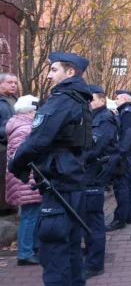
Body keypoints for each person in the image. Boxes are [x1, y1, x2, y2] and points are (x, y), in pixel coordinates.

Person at [8, 52, 92, 285]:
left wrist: (15, 164)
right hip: (72, 178)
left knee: (54, 249)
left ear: (70, 72)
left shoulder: (62, 99)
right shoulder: (79, 99)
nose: (48, 75)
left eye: (54, 70)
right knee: (72, 245)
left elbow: (38, 139)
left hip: (58, 181)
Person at [82, 85, 119, 279]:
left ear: (102, 101)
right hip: (89, 173)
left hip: (94, 173)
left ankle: (95, 263)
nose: (88, 103)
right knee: (87, 217)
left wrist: (76, 158)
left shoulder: (104, 118)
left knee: (93, 218)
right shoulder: (94, 116)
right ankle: (89, 250)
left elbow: (95, 147)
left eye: (92, 99)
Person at [5, 95, 41, 266]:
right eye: (36, 111)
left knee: (32, 214)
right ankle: (25, 253)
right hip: (26, 178)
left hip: (26, 177)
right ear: (30, 111)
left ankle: (32, 248)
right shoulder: (24, 128)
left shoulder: (21, 126)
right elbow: (22, 154)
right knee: (29, 215)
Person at [107, 90, 131, 232]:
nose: (116, 100)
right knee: (128, 186)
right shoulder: (128, 112)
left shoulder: (127, 112)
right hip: (129, 155)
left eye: (118, 98)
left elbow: (130, 134)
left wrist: (120, 152)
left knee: (122, 187)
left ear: (126, 99)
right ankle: (128, 215)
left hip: (126, 156)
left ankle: (120, 219)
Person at [0, 73, 18, 212]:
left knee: (13, 177)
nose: (13, 85)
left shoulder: (16, 100)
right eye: (9, 82)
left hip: (15, 146)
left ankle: (11, 207)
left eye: (15, 83)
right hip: (2, 147)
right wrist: (9, 131)